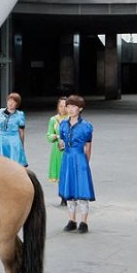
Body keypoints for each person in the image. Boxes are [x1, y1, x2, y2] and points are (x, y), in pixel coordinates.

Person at [58, 94, 95, 232]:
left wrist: (86, 163)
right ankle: (71, 220)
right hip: (67, 158)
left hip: (80, 158)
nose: (71, 109)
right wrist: (61, 145)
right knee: (69, 190)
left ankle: (84, 222)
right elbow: (61, 143)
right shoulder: (63, 125)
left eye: (74, 106)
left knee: (82, 190)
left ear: (80, 109)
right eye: (68, 106)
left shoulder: (86, 127)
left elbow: (88, 147)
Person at [0, 92, 27, 165]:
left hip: (14, 140)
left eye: (14, 102)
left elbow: (21, 132)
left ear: (17, 104)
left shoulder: (20, 115)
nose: (11, 103)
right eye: (9, 101)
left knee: (14, 163)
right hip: (2, 139)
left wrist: (22, 145)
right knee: (1, 163)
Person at [46, 97, 66, 201]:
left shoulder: (71, 119)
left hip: (70, 148)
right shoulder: (53, 120)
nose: (63, 108)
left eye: (65, 106)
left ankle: (69, 193)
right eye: (61, 106)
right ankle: (63, 195)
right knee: (60, 172)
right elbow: (49, 135)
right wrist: (56, 137)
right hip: (58, 150)